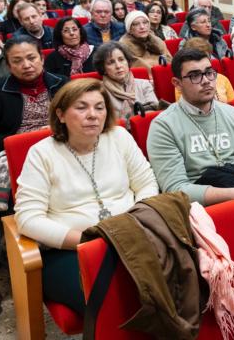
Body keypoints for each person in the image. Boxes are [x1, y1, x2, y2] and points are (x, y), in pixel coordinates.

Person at [14, 79, 159, 315]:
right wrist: (84, 240)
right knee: (112, 304)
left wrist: (136, 221)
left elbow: (147, 183)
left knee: (168, 287)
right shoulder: (42, 153)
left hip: (132, 235)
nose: (92, 115)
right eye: (81, 107)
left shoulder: (119, 137)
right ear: (60, 114)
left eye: (99, 107)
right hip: (70, 250)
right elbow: (28, 218)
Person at [147, 48, 234, 205]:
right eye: (195, 76)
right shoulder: (163, 126)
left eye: (209, 72)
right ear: (177, 84)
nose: (206, 80)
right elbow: (176, 188)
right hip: (203, 208)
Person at [0, 36, 68, 157]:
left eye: (31, 58)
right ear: (9, 66)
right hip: (19, 151)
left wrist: (59, 132)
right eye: (17, 61)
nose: (26, 65)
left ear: (42, 59)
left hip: (62, 145)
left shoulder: (62, 83)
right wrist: (23, 140)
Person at [93, 42, 158, 122]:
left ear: (128, 62)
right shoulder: (99, 92)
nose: (118, 66)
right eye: (111, 62)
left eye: (121, 60)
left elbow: (154, 114)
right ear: (103, 69)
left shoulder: (144, 84)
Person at [180, 38, 234, 103]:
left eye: (205, 57)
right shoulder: (184, 82)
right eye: (196, 59)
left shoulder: (222, 79)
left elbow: (233, 106)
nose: (201, 62)